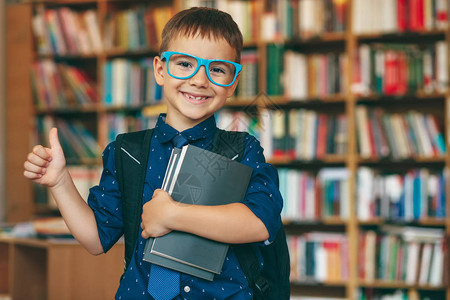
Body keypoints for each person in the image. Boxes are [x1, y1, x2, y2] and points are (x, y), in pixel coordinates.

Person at [23, 7, 283, 300]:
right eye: (185, 64)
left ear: (232, 83)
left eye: (217, 69)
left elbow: (259, 223)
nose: (199, 79)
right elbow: (96, 238)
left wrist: (173, 215)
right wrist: (60, 183)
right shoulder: (127, 151)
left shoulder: (242, 150)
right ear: (160, 70)